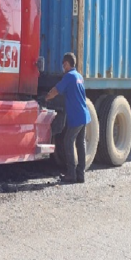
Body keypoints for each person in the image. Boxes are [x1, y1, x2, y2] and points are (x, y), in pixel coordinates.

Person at [45, 52, 91, 184]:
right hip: (84, 115)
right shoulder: (79, 76)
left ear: (66, 64)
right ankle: (80, 175)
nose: (62, 67)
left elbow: (56, 90)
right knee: (80, 143)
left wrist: (46, 97)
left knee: (68, 141)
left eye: (63, 64)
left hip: (76, 116)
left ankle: (71, 174)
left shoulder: (69, 76)